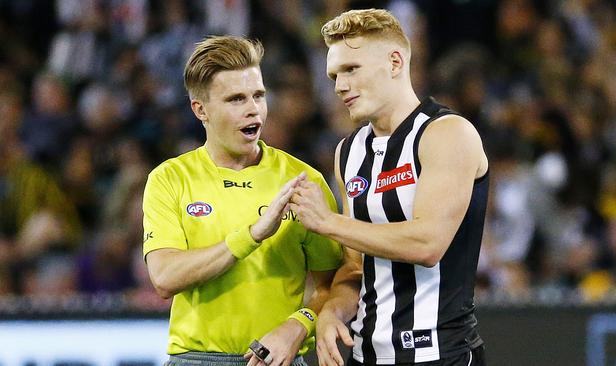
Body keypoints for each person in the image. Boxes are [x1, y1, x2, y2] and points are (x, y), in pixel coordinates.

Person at [289, 9, 489, 366]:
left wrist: (327, 222)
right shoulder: (348, 152)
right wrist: (333, 312)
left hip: (440, 354)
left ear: (395, 61)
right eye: (334, 75)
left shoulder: (447, 134)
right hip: (365, 356)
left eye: (352, 69)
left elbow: (428, 243)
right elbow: (355, 265)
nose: (340, 86)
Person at [142, 35, 343, 366]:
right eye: (236, 99)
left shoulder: (303, 180)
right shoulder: (170, 179)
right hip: (197, 359)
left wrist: (298, 325)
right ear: (200, 109)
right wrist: (250, 236)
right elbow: (164, 277)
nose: (253, 109)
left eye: (258, 96)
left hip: (280, 358)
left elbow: (333, 284)